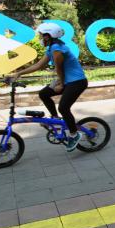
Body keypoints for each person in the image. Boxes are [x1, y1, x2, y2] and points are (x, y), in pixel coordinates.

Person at [11, 22, 88, 152]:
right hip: (67, 80)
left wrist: (61, 84)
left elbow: (59, 69)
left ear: (48, 36)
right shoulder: (52, 48)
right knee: (44, 93)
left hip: (77, 82)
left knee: (63, 107)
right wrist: (19, 73)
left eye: (41, 36)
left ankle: (74, 134)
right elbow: (38, 65)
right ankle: (55, 118)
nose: (40, 38)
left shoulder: (57, 49)